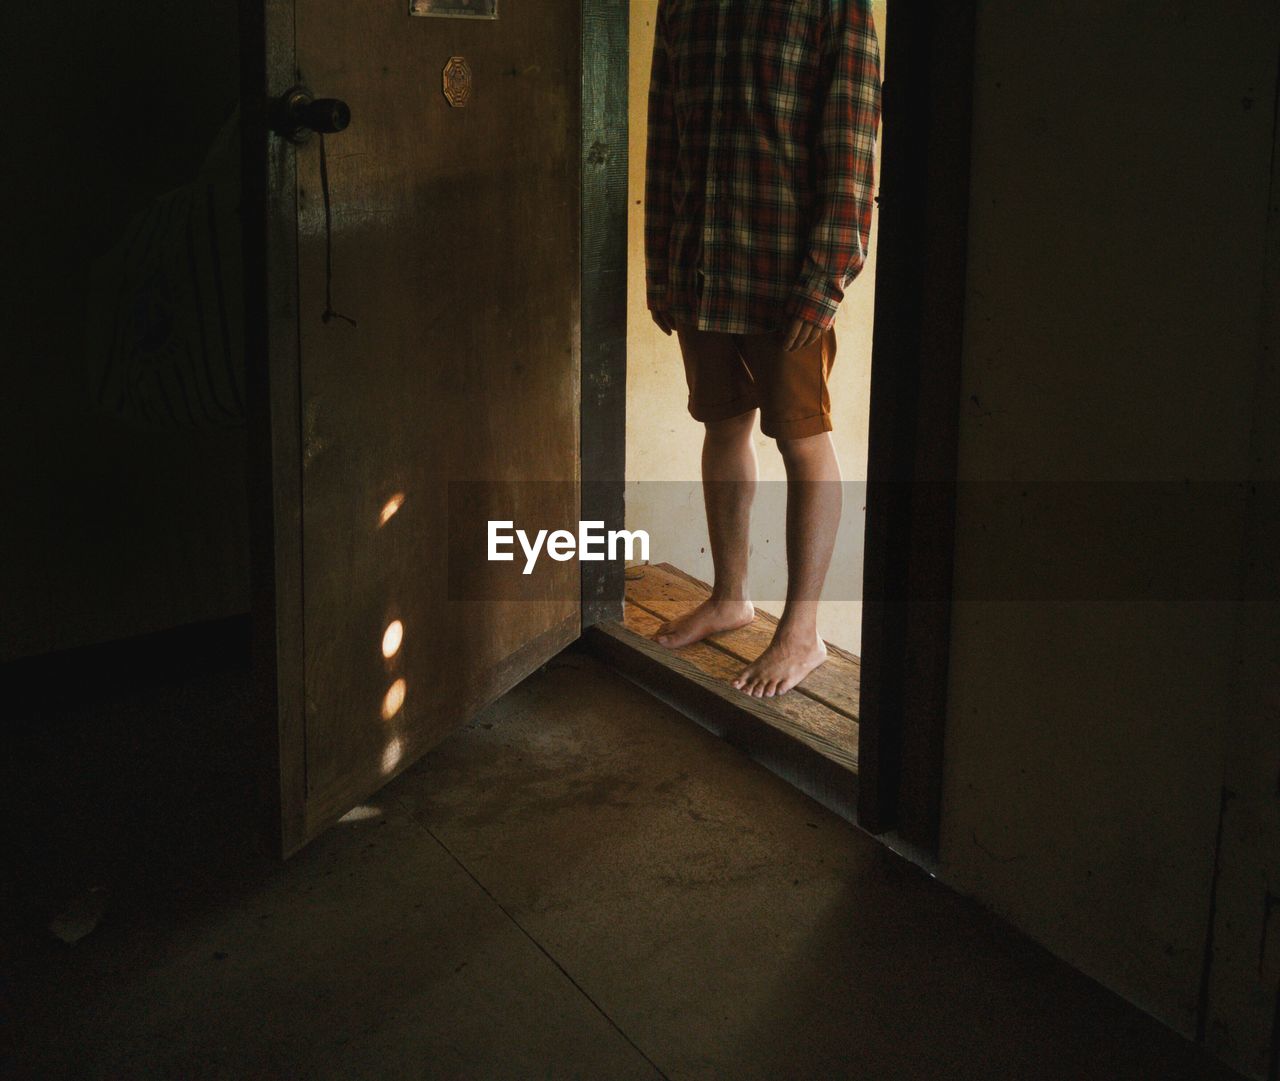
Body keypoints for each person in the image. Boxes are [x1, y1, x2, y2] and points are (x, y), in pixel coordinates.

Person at [644, 0, 882, 697]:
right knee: (722, 426)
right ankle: (730, 598)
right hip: (701, 261)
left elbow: (853, 146)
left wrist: (826, 278)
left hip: (785, 272)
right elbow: (665, 138)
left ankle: (802, 632)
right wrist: (662, 265)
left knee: (803, 439)